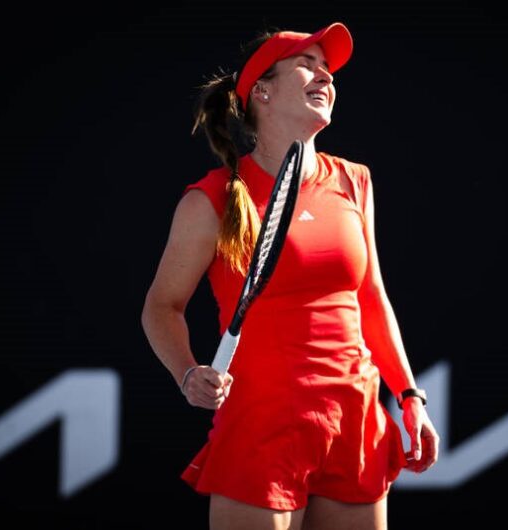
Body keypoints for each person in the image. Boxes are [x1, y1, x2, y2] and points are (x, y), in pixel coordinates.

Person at [141, 21, 439, 530]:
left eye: (327, 68)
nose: (325, 75)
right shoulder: (211, 200)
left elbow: (371, 297)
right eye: (307, 64)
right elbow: (161, 307)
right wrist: (188, 373)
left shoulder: (354, 180)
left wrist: (409, 396)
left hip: (354, 417)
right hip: (264, 424)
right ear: (262, 91)